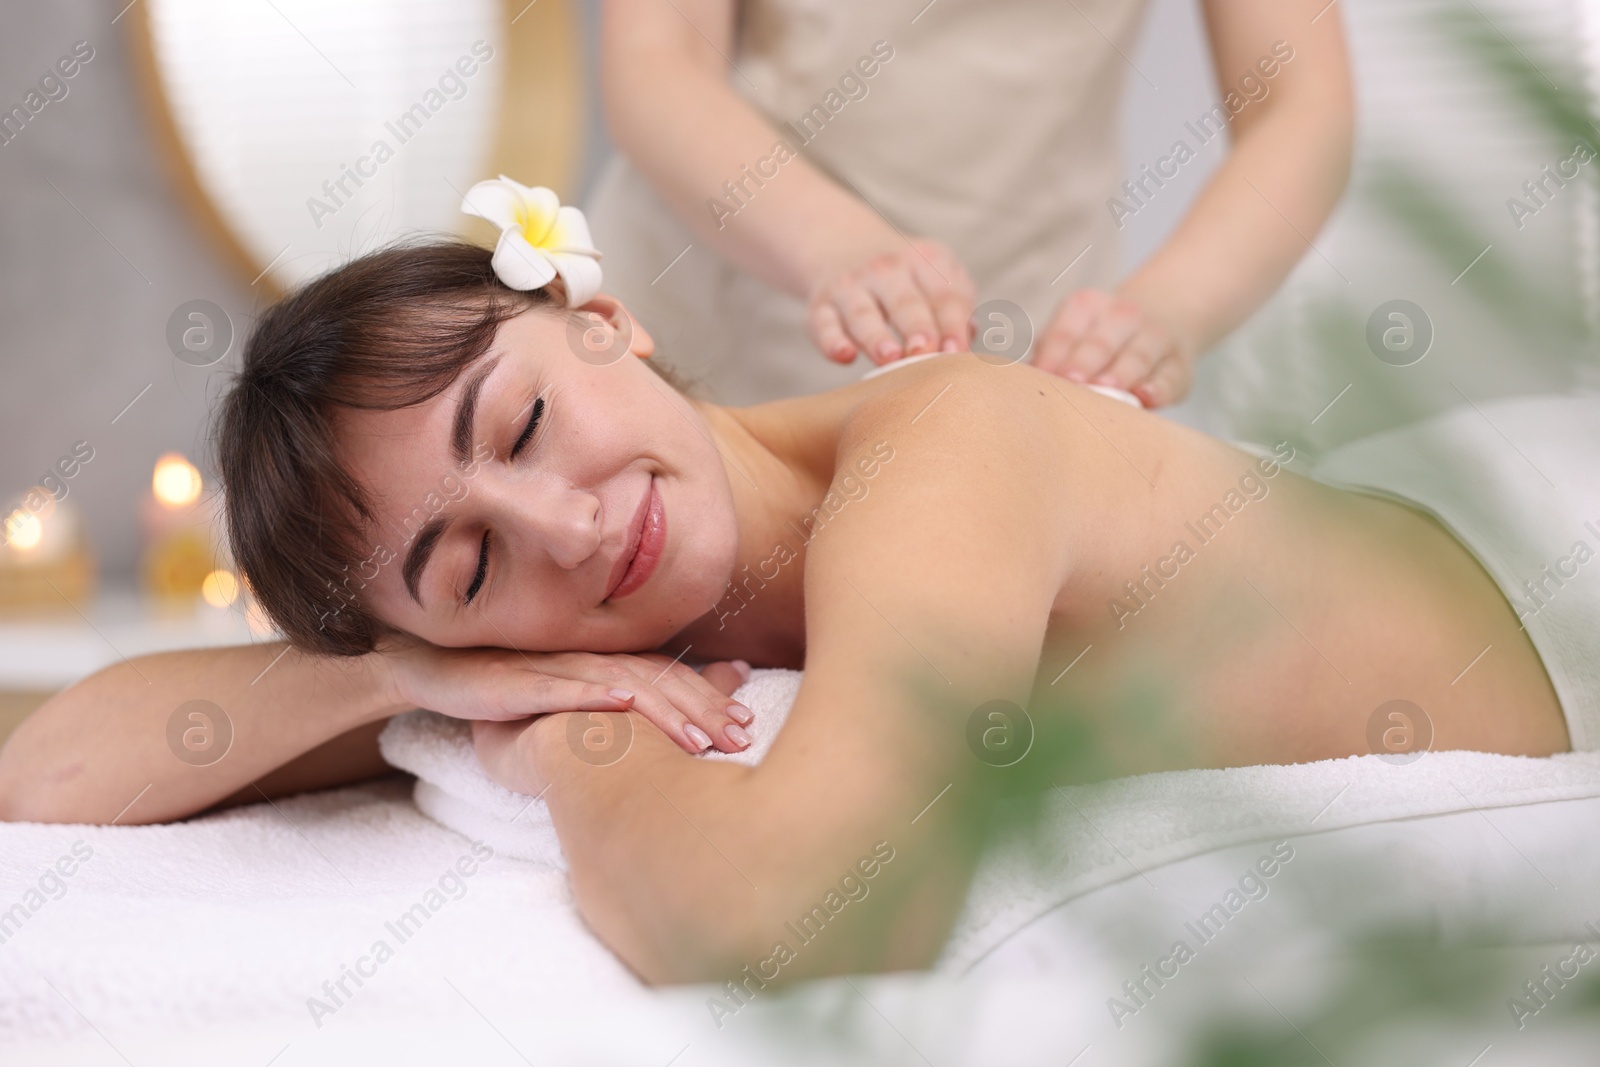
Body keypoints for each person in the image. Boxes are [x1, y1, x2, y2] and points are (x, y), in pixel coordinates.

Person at [0, 242, 1579, 987]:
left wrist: (576, 755)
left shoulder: (942, 447)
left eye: (527, 421)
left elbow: (822, 913)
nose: (569, 524)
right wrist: (409, 672)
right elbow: (46, 774)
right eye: (470, 568)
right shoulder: (540, 636)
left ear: (602, 320)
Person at [588, 0, 1352, 406]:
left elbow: (1300, 102)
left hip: (1020, 363)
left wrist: (1171, 308)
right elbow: (658, 58)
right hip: (702, 338)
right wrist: (837, 245)